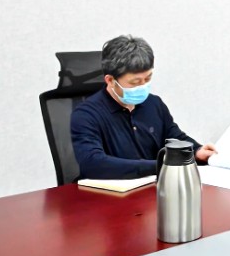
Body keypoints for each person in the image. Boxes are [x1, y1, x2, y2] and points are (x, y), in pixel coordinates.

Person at [69, 34, 215, 180]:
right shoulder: (86, 115)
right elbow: (93, 164)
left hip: (153, 186)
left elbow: (175, 137)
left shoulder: (154, 104)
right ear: (110, 80)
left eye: (148, 78)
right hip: (108, 191)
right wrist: (160, 165)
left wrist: (196, 151)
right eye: (135, 82)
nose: (143, 86)